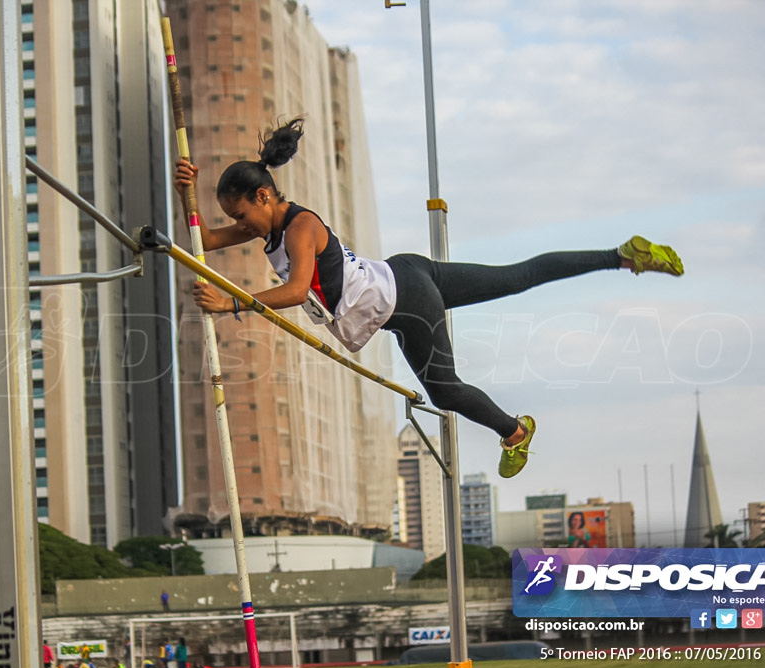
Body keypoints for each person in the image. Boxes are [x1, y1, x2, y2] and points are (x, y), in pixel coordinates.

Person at [174, 117, 684, 479]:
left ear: (264, 196)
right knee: (516, 277)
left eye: (241, 214)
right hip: (404, 276)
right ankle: (622, 255)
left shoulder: (301, 226)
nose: (238, 225)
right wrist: (187, 196)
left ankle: (515, 431)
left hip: (407, 301)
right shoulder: (267, 230)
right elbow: (204, 241)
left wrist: (232, 304)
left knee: (446, 391)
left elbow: (293, 290)